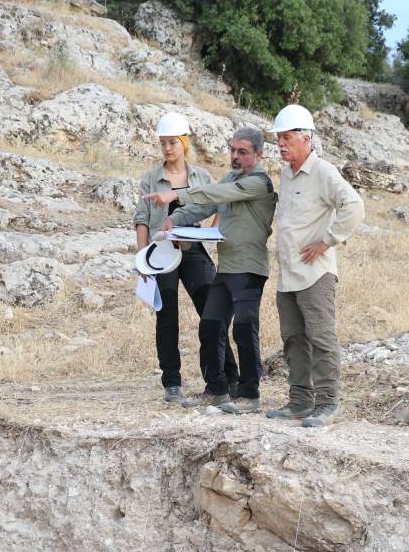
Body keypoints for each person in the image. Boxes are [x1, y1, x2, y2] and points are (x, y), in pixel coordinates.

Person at [142, 127, 278, 413]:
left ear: (259, 154)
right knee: (210, 325)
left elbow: (217, 193)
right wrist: (176, 217)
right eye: (232, 150)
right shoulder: (230, 177)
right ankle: (216, 390)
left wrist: (174, 195)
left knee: (244, 329)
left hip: (249, 267)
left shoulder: (259, 182)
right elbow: (206, 205)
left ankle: (249, 395)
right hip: (227, 267)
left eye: (242, 152)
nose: (235, 156)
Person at [264, 104, 364, 427]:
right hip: (288, 275)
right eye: (279, 138)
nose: (281, 143)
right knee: (293, 339)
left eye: (287, 137)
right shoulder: (286, 172)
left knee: (321, 338)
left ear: (306, 138)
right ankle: (299, 403)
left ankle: (327, 403)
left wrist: (327, 240)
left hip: (316, 274)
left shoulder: (323, 171)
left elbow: (354, 206)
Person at [133, 112, 238, 404]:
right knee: (167, 319)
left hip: (193, 250)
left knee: (212, 313)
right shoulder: (151, 178)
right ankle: (172, 385)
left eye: (173, 142)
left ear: (184, 143)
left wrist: (213, 231)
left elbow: (222, 200)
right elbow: (142, 220)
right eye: (163, 143)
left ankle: (228, 379)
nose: (167, 148)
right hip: (160, 253)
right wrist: (142, 259)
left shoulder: (201, 177)